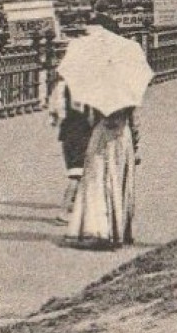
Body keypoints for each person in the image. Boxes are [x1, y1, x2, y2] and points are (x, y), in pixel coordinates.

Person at [66, 104, 140, 249]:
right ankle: (118, 231)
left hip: (100, 137)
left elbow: (90, 119)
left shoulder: (98, 92)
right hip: (121, 138)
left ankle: (98, 229)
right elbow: (135, 123)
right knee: (118, 182)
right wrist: (136, 146)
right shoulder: (127, 94)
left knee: (97, 182)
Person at [47, 77, 95, 222]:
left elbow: (54, 113)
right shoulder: (89, 90)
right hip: (82, 135)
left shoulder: (62, 86)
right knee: (77, 175)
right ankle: (64, 211)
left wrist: (57, 119)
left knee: (77, 173)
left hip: (67, 134)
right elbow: (91, 118)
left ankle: (78, 206)